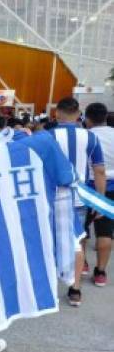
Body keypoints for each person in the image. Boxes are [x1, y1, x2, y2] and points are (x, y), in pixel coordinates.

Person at [49, 97, 106, 307]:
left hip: (52, 198)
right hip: (80, 199)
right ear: (78, 113)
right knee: (77, 241)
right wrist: (99, 201)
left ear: (57, 113)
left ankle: (48, 290)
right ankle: (75, 290)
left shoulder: (48, 136)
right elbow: (99, 171)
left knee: (48, 241)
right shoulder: (91, 138)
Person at [83, 103, 114, 286]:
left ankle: (83, 264)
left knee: (82, 230)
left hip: (87, 187)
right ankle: (101, 272)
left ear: (87, 118)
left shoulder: (86, 136)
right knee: (105, 231)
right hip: (111, 188)